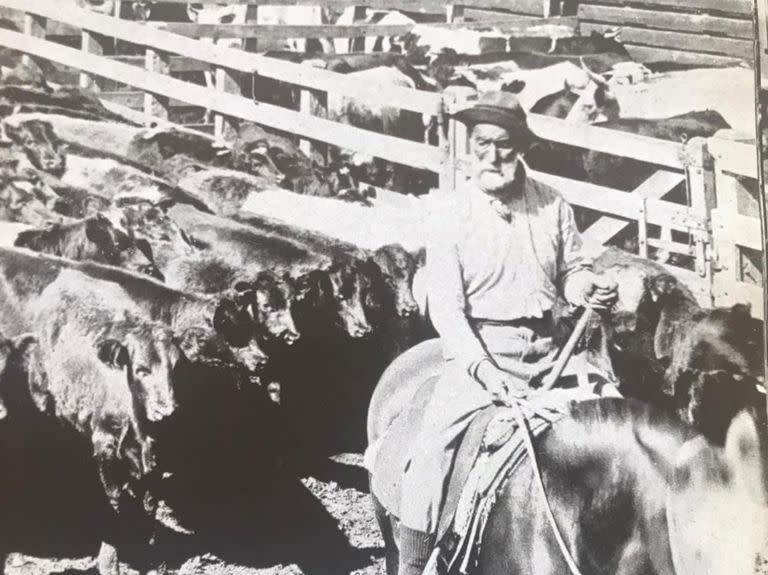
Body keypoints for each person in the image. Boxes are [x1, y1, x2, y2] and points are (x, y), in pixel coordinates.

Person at [397, 91, 619, 575]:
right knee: (430, 453)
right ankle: (413, 563)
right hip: (481, 353)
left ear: (520, 147)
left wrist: (588, 288)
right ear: (470, 146)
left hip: (552, 351)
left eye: (503, 145)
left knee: (618, 419)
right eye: (482, 144)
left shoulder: (551, 204)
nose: (492, 156)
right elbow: (448, 310)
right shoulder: (450, 213)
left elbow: (572, 270)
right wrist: (482, 369)